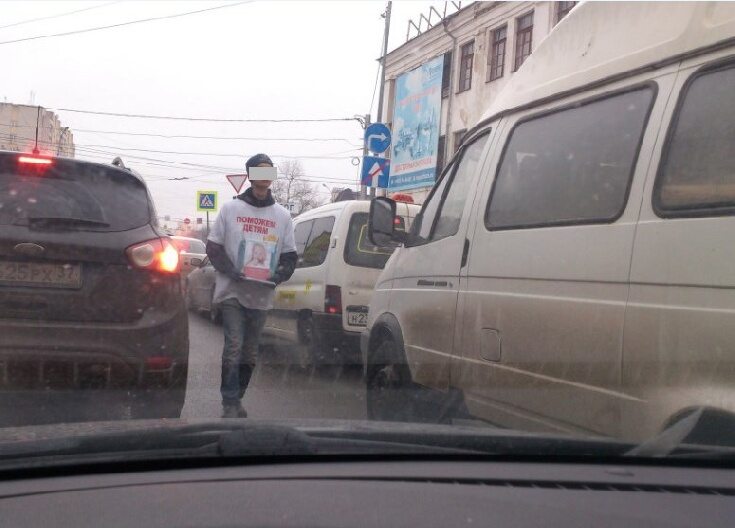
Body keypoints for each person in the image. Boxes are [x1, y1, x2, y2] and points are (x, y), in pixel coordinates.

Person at [206, 153, 297, 418]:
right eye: (260, 171)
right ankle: (230, 401)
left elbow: (290, 257)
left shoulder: (282, 216)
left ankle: (238, 396)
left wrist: (277, 275)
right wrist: (230, 271)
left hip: (260, 295)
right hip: (233, 290)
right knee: (234, 346)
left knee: (250, 352)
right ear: (250, 174)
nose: (264, 177)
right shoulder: (231, 210)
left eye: (269, 171)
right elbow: (213, 247)